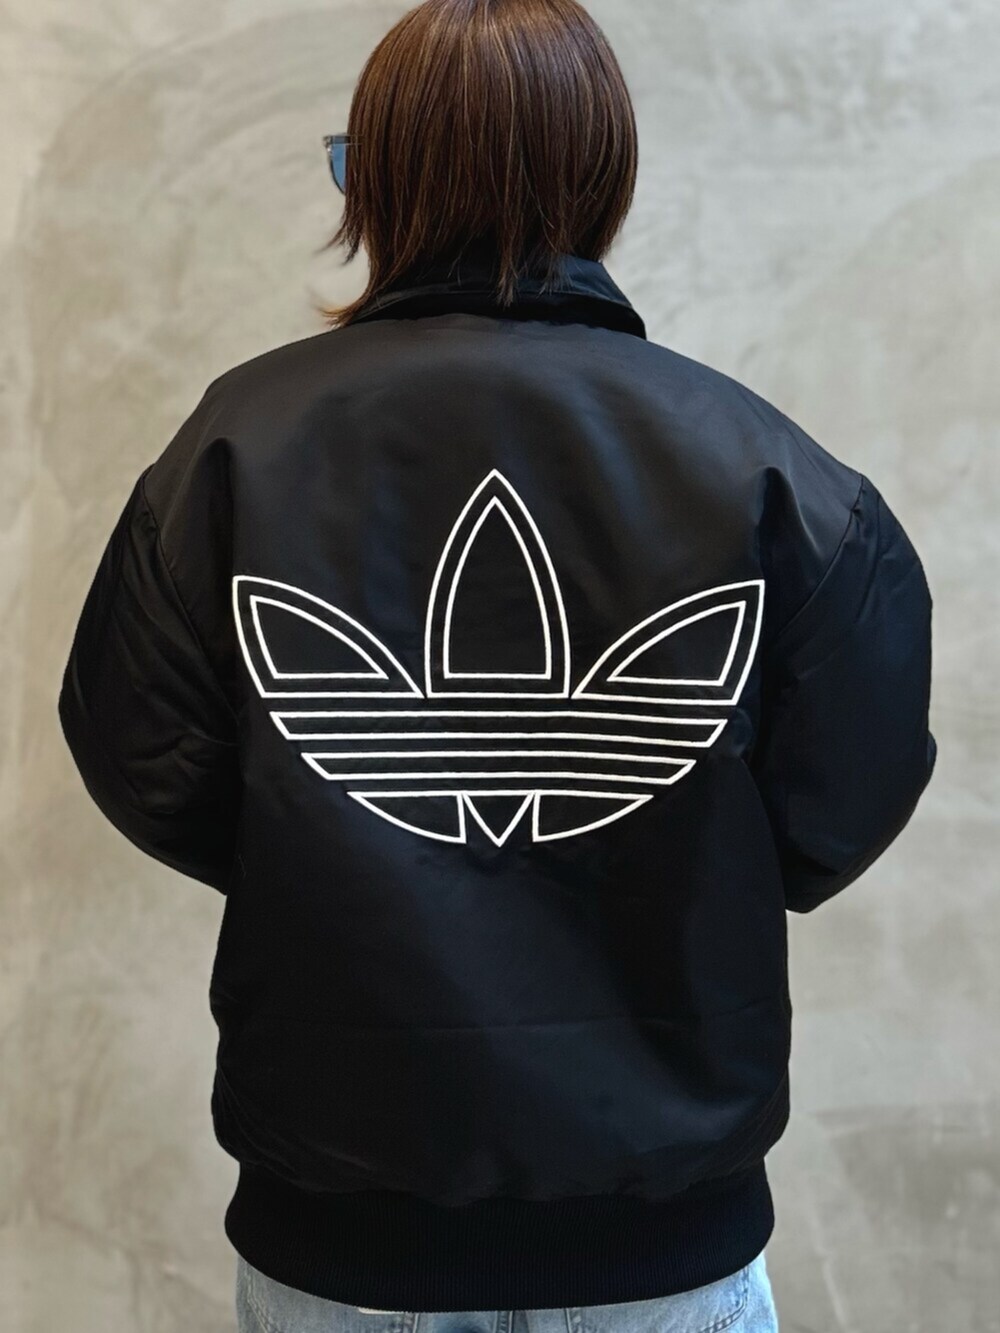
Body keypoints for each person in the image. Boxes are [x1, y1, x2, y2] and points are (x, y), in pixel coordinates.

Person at [56, 0, 937, 1329]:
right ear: (604, 177)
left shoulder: (234, 451)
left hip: (340, 1240)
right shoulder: (765, 472)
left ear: (375, 179)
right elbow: (843, 801)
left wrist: (325, 827)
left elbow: (143, 760)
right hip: (661, 1243)